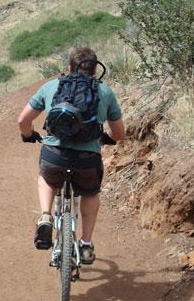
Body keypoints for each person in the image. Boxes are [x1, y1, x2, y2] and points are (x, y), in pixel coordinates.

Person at [17, 47, 125, 264]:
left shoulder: (51, 86)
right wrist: (109, 139)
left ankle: (46, 216)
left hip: (54, 156)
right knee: (90, 193)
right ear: (95, 71)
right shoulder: (105, 92)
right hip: (87, 160)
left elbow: (23, 121)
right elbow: (120, 133)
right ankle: (85, 244)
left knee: (47, 178)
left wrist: (28, 135)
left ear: (68, 68)